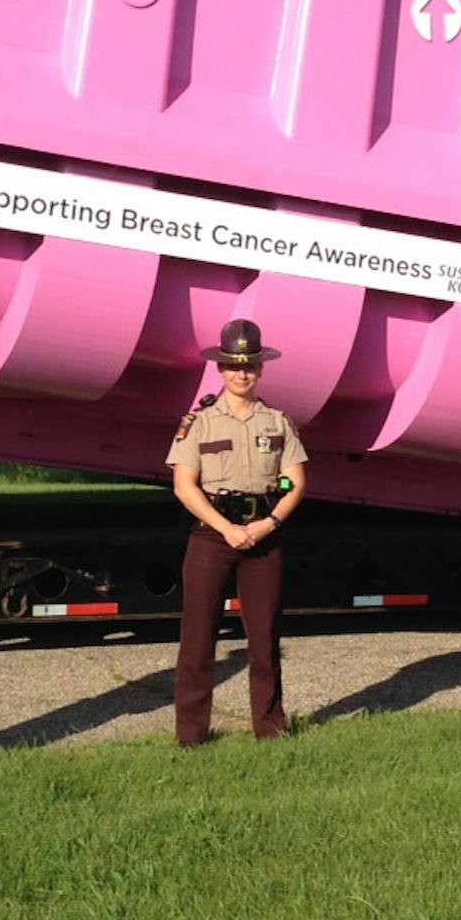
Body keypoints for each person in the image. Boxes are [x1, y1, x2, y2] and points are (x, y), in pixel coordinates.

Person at [166, 318, 308, 746]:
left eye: (249, 366)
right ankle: (192, 735)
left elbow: (295, 481)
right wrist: (226, 527)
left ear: (261, 369)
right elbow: (183, 485)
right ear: (220, 370)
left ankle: (269, 727)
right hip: (212, 536)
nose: (241, 373)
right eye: (232, 366)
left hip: (264, 535)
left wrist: (270, 523)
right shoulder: (200, 423)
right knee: (198, 638)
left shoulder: (278, 422)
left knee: (264, 638)